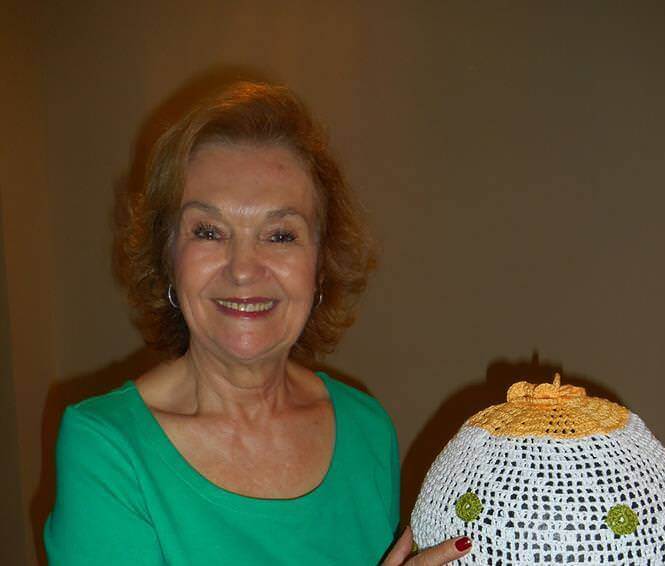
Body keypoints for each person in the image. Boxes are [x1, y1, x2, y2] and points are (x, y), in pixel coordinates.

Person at [44, 82, 472, 565]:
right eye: (209, 231)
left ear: (321, 263)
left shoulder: (366, 429)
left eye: (280, 235)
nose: (243, 269)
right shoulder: (106, 448)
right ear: (168, 256)